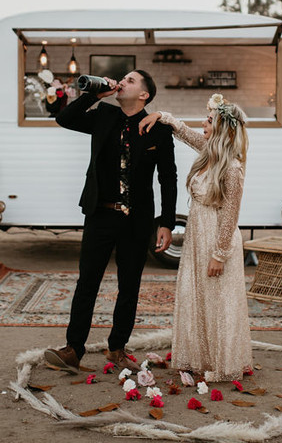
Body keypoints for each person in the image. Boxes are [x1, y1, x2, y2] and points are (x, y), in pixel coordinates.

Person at [45, 70, 177, 374]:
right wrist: (93, 95)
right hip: (100, 214)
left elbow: (168, 179)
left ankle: (117, 348)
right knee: (87, 283)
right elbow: (64, 119)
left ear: (144, 94)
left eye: (130, 80)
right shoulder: (104, 115)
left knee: (129, 286)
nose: (122, 82)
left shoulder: (159, 130)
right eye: (123, 79)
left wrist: (167, 223)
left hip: (137, 220)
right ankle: (73, 350)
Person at [139, 93, 252, 381]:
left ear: (223, 129)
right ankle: (200, 356)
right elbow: (185, 133)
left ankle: (222, 362)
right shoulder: (210, 152)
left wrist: (220, 254)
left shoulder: (233, 168)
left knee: (218, 300)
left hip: (216, 238)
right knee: (196, 295)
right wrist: (162, 116)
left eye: (210, 120)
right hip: (196, 235)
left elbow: (230, 215)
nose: (204, 123)